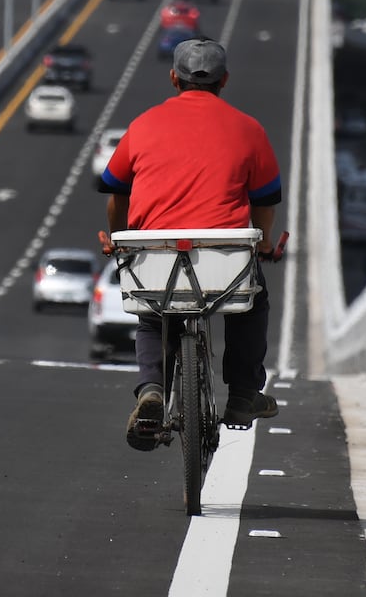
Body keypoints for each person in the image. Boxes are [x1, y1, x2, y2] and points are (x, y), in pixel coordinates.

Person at [97, 38, 282, 451]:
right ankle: (242, 395)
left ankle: (151, 390)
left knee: (151, 314)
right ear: (225, 81)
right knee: (251, 303)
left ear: (173, 77)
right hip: (225, 257)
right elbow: (266, 200)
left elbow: (114, 192)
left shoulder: (143, 124)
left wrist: (118, 237)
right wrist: (266, 243)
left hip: (156, 253)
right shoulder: (249, 129)